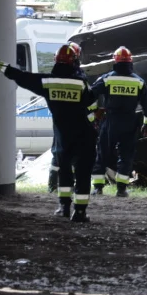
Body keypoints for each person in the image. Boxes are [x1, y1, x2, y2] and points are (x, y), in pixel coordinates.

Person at [0, 45, 97, 222]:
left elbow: (21, 76)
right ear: (75, 62)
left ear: (55, 61)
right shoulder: (81, 83)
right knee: (83, 173)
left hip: (63, 137)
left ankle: (64, 207)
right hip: (84, 135)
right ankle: (80, 212)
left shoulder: (47, 82)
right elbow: (91, 103)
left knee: (65, 173)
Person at [89, 46, 147, 197]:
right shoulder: (139, 82)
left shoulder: (107, 79)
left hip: (110, 120)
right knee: (126, 155)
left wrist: (95, 111)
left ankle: (98, 188)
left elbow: (90, 95)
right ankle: (121, 189)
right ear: (130, 62)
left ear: (115, 61)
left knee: (102, 152)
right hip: (130, 121)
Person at [47, 41, 84, 194]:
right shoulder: (78, 77)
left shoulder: (53, 76)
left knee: (58, 150)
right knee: (72, 152)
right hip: (74, 120)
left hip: (59, 119)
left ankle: (52, 184)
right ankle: (65, 184)